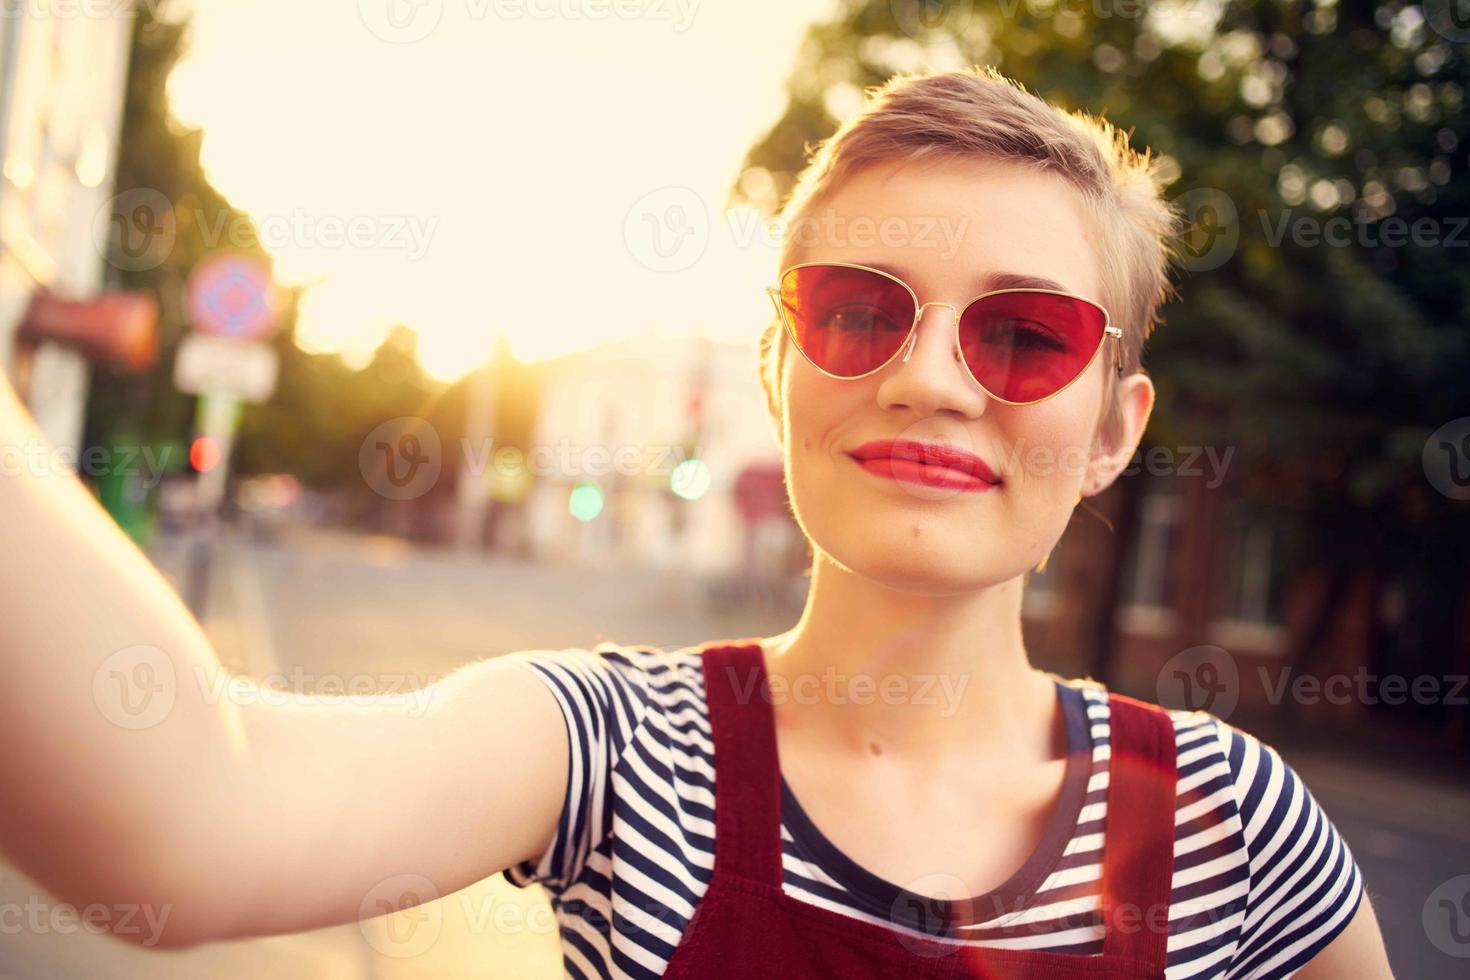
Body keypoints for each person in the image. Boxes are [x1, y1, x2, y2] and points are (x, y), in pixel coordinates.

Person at [0, 66, 1393, 978]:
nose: (926, 377)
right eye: (857, 312)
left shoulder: (1231, 831)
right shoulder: (613, 755)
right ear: (780, 371)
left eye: (1023, 335)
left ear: (1111, 430)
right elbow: (188, 813)